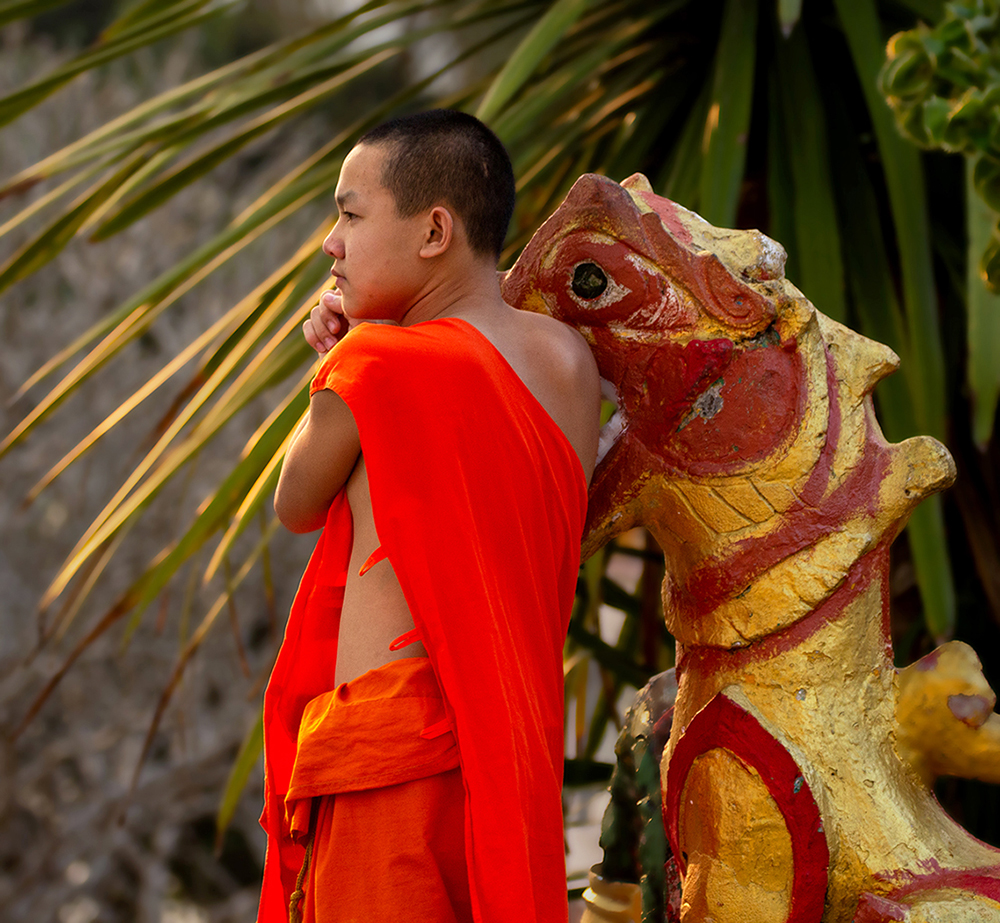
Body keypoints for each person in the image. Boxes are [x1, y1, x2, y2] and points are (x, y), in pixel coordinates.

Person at [257, 110, 600, 923]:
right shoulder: (571, 362)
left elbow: (294, 501)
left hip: (387, 770)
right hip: (509, 761)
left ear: (434, 229)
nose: (330, 245)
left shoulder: (377, 363)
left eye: (348, 213)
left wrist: (348, 353)